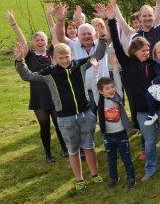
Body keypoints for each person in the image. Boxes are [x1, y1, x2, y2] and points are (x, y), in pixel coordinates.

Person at [14, 30, 108, 191]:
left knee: (89, 146)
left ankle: (94, 174)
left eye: (67, 57)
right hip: (65, 118)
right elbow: (28, 76)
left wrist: (103, 38)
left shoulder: (80, 65)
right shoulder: (49, 72)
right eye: (60, 58)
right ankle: (79, 179)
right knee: (73, 149)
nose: (64, 60)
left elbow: (98, 54)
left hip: (85, 113)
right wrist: (19, 60)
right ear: (54, 58)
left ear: (71, 54)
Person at [109, 6, 160, 181]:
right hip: (142, 111)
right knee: (149, 143)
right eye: (143, 50)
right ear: (134, 51)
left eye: (148, 50)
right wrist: (111, 21)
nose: (146, 52)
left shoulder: (155, 63)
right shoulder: (128, 63)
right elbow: (117, 44)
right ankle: (150, 170)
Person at [7, 11, 67, 162]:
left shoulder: (54, 51)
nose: (40, 42)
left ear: (46, 41)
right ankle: (48, 154)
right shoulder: (30, 55)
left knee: (59, 124)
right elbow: (21, 39)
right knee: (44, 126)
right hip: (39, 97)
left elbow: (55, 32)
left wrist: (49, 17)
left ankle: (65, 149)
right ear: (33, 43)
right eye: (37, 40)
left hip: (54, 94)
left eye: (42, 39)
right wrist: (13, 23)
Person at [96, 76, 136, 190]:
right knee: (111, 159)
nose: (111, 90)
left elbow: (118, 81)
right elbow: (95, 88)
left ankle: (131, 179)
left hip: (121, 134)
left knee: (126, 158)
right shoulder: (100, 101)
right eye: (107, 88)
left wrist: (114, 67)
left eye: (112, 87)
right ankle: (114, 178)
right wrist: (95, 71)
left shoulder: (118, 98)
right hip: (108, 136)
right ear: (101, 92)